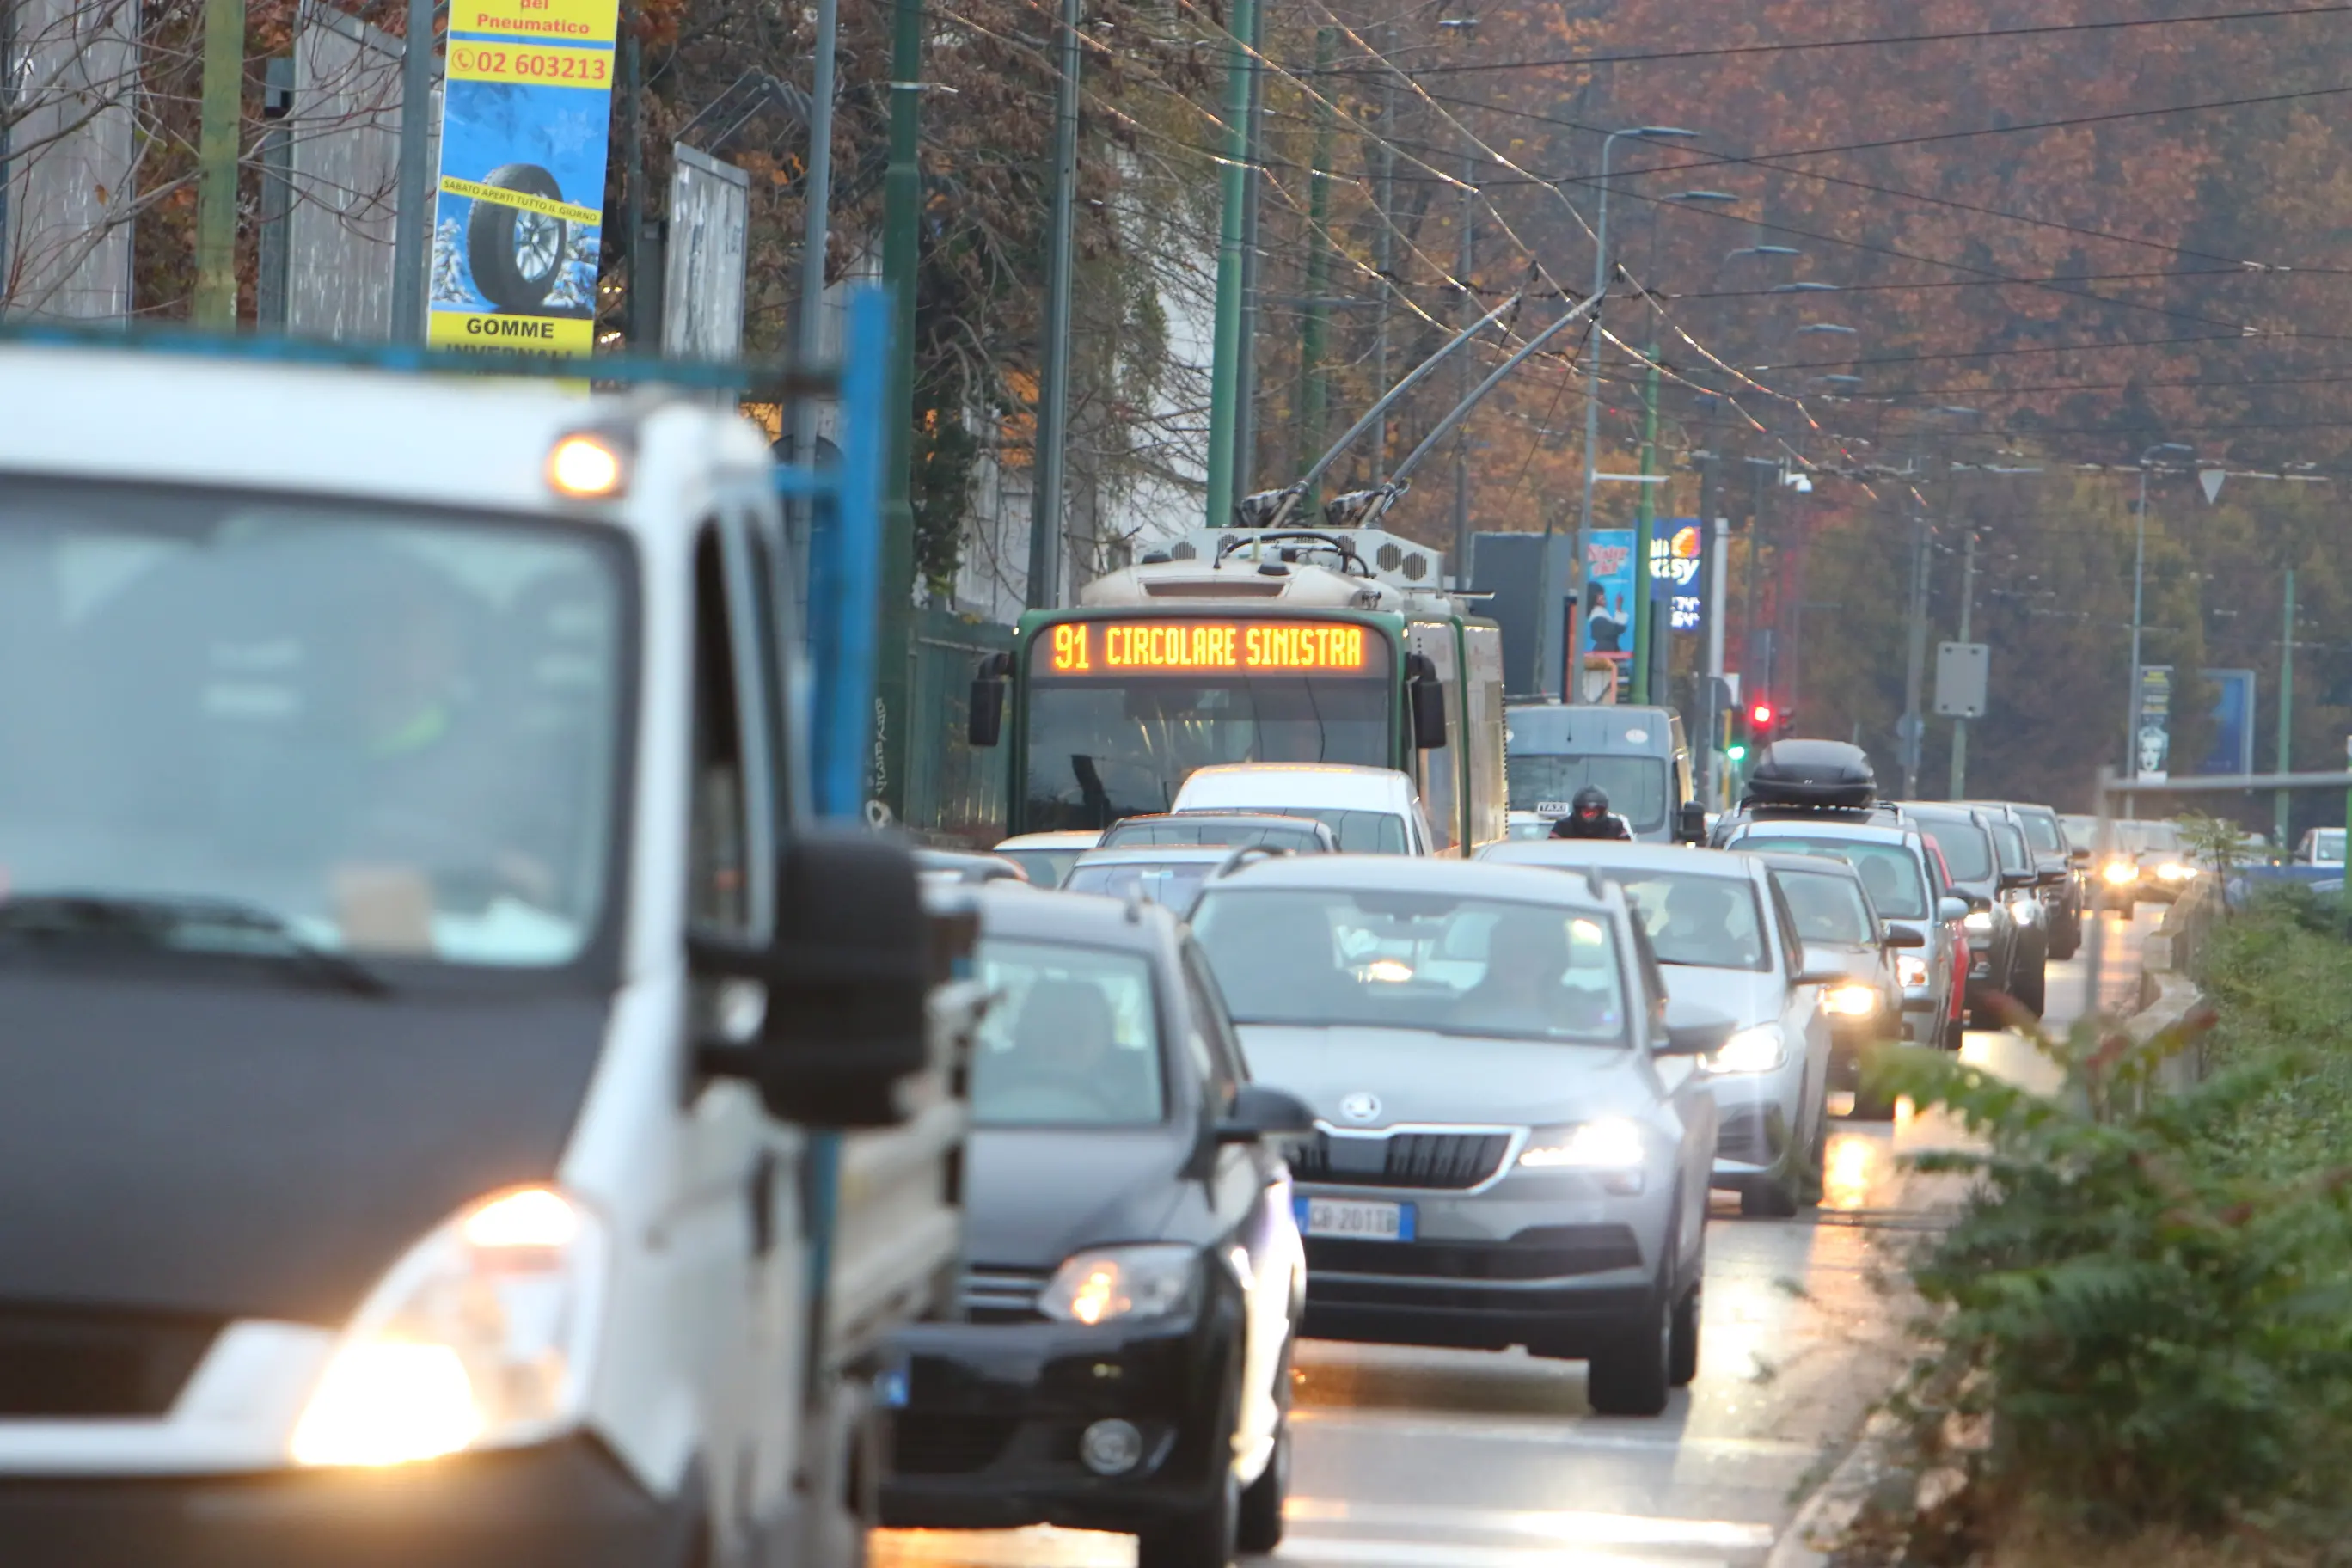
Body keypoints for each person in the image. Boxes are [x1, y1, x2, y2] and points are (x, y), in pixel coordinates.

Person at [1551, 785, 1632, 841]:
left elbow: (1628, 854)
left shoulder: (1616, 827)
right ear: (1578, 811)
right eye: (1587, 813)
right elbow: (1549, 853)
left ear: (1602, 812)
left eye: (1593, 812)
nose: (1590, 817)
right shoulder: (1562, 827)